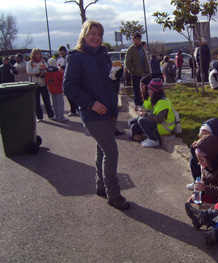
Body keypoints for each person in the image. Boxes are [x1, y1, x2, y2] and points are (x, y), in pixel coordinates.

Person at [63, 20, 130, 210]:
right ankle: (114, 195)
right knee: (111, 151)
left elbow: (109, 82)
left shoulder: (103, 55)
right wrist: (91, 103)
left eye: (99, 35)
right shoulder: (76, 57)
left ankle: (101, 186)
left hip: (110, 110)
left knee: (102, 150)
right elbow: (69, 87)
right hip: (93, 113)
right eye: (92, 33)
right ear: (84, 34)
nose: (96, 37)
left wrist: (116, 79)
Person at [186, 118, 218, 190]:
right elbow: (197, 158)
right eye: (202, 134)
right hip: (206, 165)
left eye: (206, 135)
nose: (204, 137)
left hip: (215, 168)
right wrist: (194, 148)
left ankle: (208, 186)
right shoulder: (204, 143)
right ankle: (197, 181)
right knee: (194, 161)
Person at [132, 78, 176, 148]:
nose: (148, 91)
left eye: (150, 89)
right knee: (139, 119)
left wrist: (145, 114)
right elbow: (154, 112)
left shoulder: (162, 102)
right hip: (162, 126)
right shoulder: (159, 100)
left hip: (165, 128)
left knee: (142, 120)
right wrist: (145, 112)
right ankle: (148, 136)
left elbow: (159, 119)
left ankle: (154, 140)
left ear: (155, 91)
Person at [27, 48, 54, 122]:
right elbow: (30, 72)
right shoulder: (30, 63)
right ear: (34, 54)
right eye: (37, 53)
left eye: (40, 54)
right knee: (36, 101)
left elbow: (47, 69)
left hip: (43, 83)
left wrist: (43, 73)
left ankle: (51, 115)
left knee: (47, 100)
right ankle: (39, 117)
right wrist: (39, 72)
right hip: (35, 84)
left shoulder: (43, 61)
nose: (39, 55)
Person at [125, 32, 151, 106]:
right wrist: (133, 71)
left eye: (139, 39)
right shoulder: (130, 50)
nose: (138, 41)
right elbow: (127, 62)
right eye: (137, 39)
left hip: (144, 72)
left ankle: (144, 102)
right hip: (136, 73)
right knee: (137, 89)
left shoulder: (142, 49)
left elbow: (145, 60)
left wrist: (148, 72)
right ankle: (137, 103)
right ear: (133, 39)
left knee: (145, 89)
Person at [128, 74, 153, 142]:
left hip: (150, 118)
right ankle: (140, 135)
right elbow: (145, 107)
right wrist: (139, 107)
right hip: (145, 116)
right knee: (130, 122)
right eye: (140, 85)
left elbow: (153, 110)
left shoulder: (151, 96)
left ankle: (146, 136)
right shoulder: (144, 95)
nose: (140, 87)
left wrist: (144, 112)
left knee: (134, 127)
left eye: (142, 85)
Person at [57, 45, 79, 117]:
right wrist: (60, 67)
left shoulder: (69, 57)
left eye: (63, 53)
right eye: (60, 53)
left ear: (65, 52)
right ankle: (73, 110)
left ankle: (78, 109)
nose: (61, 55)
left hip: (72, 77)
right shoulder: (59, 59)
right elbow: (58, 66)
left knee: (75, 94)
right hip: (64, 77)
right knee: (68, 94)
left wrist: (66, 67)